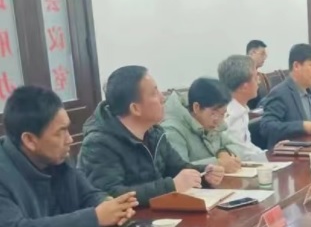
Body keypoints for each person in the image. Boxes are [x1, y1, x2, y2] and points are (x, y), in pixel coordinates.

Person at [0, 86, 137, 227]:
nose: (70, 139)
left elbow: (87, 194)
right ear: (30, 140)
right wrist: (95, 218)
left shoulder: (56, 158)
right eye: (61, 132)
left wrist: (108, 204)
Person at [79, 65, 224, 207]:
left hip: (160, 214)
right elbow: (111, 196)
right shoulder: (99, 143)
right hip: (131, 220)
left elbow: (177, 167)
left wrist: (205, 173)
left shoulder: (154, 132)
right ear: (135, 108)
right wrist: (171, 186)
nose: (162, 97)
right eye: (154, 93)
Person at [163, 78, 242, 173]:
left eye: (222, 114)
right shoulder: (173, 130)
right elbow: (179, 170)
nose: (218, 120)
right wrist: (218, 163)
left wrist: (223, 152)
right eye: (213, 113)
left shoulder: (213, 124)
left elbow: (237, 147)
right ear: (196, 107)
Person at [218, 54, 268, 162]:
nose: (259, 81)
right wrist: (269, 156)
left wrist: (271, 153)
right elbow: (243, 154)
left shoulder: (240, 109)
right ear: (244, 87)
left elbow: (247, 146)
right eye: (255, 77)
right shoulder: (230, 117)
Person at [246, 39, 268, 110]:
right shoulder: (245, 73)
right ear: (253, 53)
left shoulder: (255, 72)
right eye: (262, 54)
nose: (265, 57)